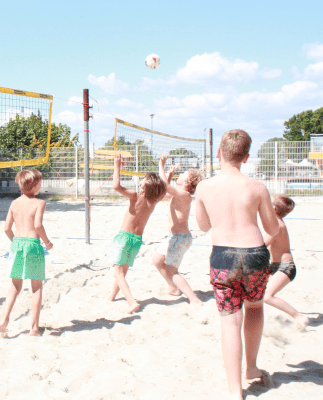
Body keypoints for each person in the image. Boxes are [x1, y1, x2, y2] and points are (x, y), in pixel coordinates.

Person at [195, 129, 279, 400]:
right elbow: (272, 227)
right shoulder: (256, 187)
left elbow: (204, 225)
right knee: (254, 308)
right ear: (246, 156)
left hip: (223, 256)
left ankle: (234, 391)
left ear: (219, 153)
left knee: (230, 322)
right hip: (254, 253)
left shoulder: (205, 187)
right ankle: (251, 367)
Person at [107, 151, 167, 314]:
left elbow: (116, 186)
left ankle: (131, 302)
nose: (141, 180)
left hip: (124, 237)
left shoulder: (135, 196)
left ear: (147, 186)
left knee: (118, 272)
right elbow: (165, 185)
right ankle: (112, 296)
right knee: (122, 270)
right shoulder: (153, 201)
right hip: (137, 240)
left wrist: (117, 166)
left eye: (144, 180)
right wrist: (162, 166)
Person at [0, 169, 52, 336]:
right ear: (34, 186)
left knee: (15, 286)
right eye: (40, 183)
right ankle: (34, 328)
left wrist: (16, 243)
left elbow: (6, 228)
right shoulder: (39, 203)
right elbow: (37, 226)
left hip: (17, 245)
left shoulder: (14, 203)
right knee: (36, 287)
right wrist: (48, 243)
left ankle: (5, 320)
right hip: (33, 245)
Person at [152, 153, 203, 305]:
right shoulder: (177, 194)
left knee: (171, 271)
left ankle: (193, 299)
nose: (180, 174)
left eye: (183, 174)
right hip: (174, 236)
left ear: (188, 182)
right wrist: (168, 175)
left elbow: (165, 187)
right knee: (157, 259)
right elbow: (163, 192)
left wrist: (161, 165)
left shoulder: (185, 195)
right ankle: (172, 288)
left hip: (181, 238)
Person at [263, 194, 309, 330]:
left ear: (275, 209)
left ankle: (298, 316)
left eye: (270, 203)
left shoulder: (276, 225)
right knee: (254, 291)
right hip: (274, 266)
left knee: (267, 297)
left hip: (286, 267)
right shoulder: (274, 223)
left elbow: (261, 245)